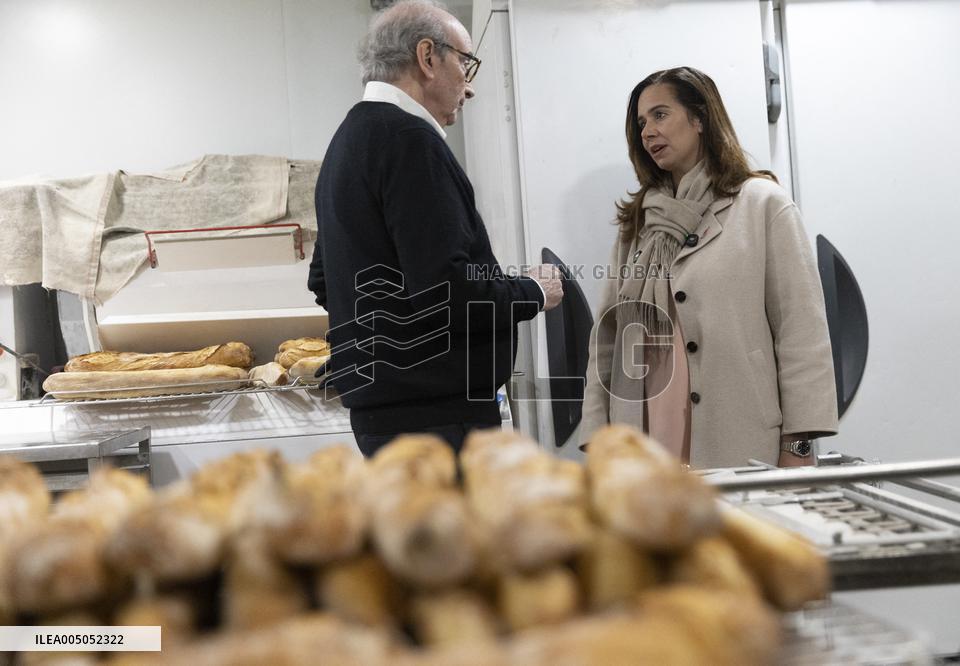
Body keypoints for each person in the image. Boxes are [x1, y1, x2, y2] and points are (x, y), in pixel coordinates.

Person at [308, 0, 562, 457]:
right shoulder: (410, 141)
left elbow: (325, 281)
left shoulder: (347, 141)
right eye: (466, 63)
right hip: (439, 423)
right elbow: (449, 290)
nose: (471, 88)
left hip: (387, 418)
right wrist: (534, 291)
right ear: (428, 57)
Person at [579, 67, 837, 469]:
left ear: (700, 118)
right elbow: (607, 340)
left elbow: (801, 332)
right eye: (641, 123)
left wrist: (799, 445)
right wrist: (596, 438)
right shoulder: (638, 224)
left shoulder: (762, 205)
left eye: (660, 115)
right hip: (642, 446)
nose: (647, 132)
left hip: (740, 440)